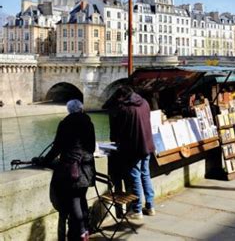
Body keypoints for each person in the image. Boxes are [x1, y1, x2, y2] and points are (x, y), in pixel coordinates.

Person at [33, 99, 96, 241]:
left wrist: (43, 161)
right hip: (87, 168)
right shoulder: (89, 123)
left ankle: (81, 233)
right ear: (81, 109)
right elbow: (91, 147)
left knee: (74, 201)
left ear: (69, 110)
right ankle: (86, 228)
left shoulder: (65, 123)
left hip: (73, 169)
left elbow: (57, 148)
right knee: (82, 198)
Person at [107, 86, 156, 219]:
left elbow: (119, 132)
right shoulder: (144, 103)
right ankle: (150, 206)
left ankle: (137, 209)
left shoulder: (125, 109)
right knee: (145, 174)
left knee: (135, 177)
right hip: (148, 144)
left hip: (134, 148)